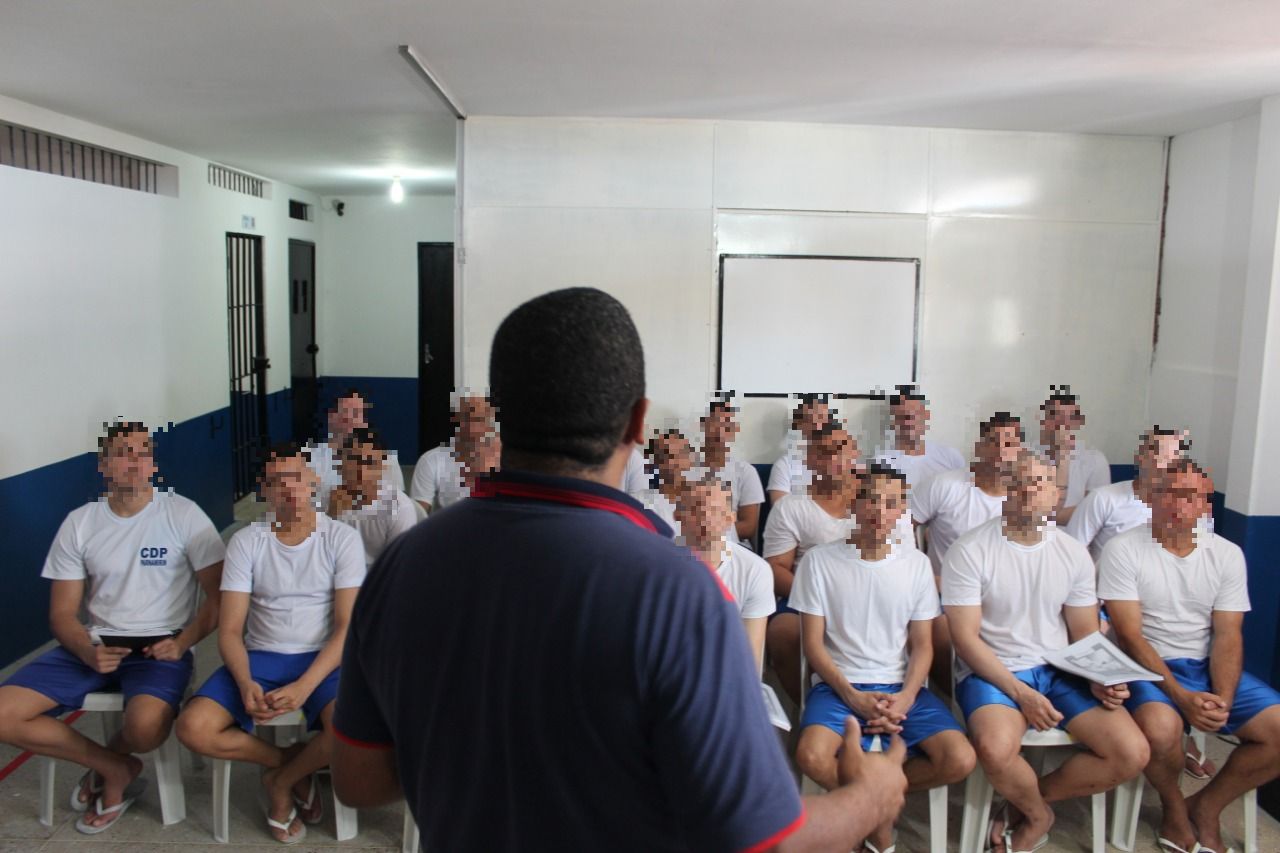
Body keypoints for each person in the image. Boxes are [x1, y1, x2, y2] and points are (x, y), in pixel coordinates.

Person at [330, 287, 908, 852]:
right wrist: (871, 798)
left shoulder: (406, 564)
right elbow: (757, 840)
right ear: (638, 423)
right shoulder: (677, 591)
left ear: (499, 418)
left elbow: (360, 781)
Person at [0, 422, 225, 834]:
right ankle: (114, 767)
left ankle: (114, 759)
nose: (134, 463)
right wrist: (87, 649)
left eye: (143, 453)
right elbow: (63, 615)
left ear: (153, 463)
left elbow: (218, 597)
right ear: (104, 465)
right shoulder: (81, 522)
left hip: (162, 645)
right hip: (96, 644)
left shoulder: (183, 514)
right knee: (3, 714)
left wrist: (183, 643)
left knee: (145, 727)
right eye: (123, 453)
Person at [943, 451, 1148, 853]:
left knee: (1131, 752)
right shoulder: (970, 550)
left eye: (1037, 485)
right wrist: (1021, 694)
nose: (1026, 493)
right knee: (994, 749)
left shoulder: (1072, 553)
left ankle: (1028, 802)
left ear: (1055, 495)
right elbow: (966, 640)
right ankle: (1038, 817)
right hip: (994, 670)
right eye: (1018, 484)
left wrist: (1102, 676)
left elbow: (1084, 631)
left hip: (1057, 668)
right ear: (1006, 490)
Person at [175, 445, 365, 845]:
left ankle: (280, 782)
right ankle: (290, 762)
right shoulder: (248, 541)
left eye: (297, 478)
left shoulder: (341, 538)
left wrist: (305, 686)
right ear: (265, 490)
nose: (289, 490)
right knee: (193, 728)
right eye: (278, 482)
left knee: (350, 728)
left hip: (323, 658)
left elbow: (347, 626)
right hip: (261, 656)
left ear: (313, 482)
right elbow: (229, 630)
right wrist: (245, 682)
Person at [792, 463, 976, 853]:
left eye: (891, 503)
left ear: (901, 513)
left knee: (959, 759)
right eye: (871, 499)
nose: (879, 511)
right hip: (838, 687)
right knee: (810, 755)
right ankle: (877, 819)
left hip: (900, 688)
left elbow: (923, 645)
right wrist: (850, 694)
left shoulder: (915, 565)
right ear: (855, 504)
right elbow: (813, 646)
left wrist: (907, 697)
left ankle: (869, 804)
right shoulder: (819, 562)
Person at [1100, 459, 1280, 853]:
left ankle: (1207, 807)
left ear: (1205, 504)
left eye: (1191, 496)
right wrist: (1181, 697)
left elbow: (1228, 634)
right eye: (1170, 494)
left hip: (1204, 663)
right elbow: (1129, 636)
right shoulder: (1123, 549)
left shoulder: (1226, 554)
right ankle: (1174, 809)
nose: (1179, 505)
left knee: (1277, 730)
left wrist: (1224, 703)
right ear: (1152, 499)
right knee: (1162, 731)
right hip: (1146, 666)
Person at [762, 422, 859, 705]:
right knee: (783, 632)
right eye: (823, 453)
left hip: (872, 595)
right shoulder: (791, 507)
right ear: (809, 460)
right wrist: (821, 602)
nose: (833, 459)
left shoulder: (881, 502)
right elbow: (777, 567)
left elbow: (902, 560)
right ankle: (812, 706)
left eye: (840, 450)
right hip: (806, 599)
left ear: (854, 454)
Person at [673, 473, 774, 674]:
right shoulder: (658, 565)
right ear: (678, 516)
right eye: (695, 510)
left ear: (730, 518)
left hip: (728, 681)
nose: (706, 519)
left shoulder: (755, 570)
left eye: (715, 511)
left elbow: (750, 660)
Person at [1066, 426, 1187, 561]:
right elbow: (1071, 554)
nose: (1161, 463)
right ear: (1140, 457)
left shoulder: (1188, 510)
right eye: (1156, 453)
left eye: (1170, 457)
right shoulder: (1102, 499)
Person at [328, 428, 419, 566]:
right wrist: (331, 516)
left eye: (370, 463)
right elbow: (316, 558)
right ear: (339, 464)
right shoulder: (325, 499)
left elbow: (399, 566)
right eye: (354, 460)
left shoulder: (399, 508)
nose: (361, 471)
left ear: (382, 468)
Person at [310, 390, 405, 508]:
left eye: (356, 413)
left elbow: (396, 504)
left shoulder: (387, 459)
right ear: (331, 416)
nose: (349, 418)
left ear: (364, 422)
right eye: (344, 412)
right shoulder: (309, 458)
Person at [409, 393, 496, 513]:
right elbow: (419, 516)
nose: (474, 425)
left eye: (481, 419)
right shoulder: (431, 460)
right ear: (457, 418)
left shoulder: (503, 459)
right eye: (468, 417)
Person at [1037, 386, 1110, 526]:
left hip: (1074, 534)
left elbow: (1095, 511)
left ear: (1077, 422)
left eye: (1068, 418)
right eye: (1054, 416)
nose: (1061, 424)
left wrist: (1044, 518)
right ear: (1044, 420)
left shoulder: (1094, 459)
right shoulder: (1029, 456)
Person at [700, 393, 765, 544]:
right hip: (690, 545)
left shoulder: (746, 472)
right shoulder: (685, 469)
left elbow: (749, 526)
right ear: (704, 424)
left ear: (734, 431)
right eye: (715, 422)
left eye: (726, 425)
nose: (720, 430)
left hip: (732, 547)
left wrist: (709, 535)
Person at [873, 386, 966, 488]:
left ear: (926, 415)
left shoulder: (950, 456)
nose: (908, 422)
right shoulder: (882, 462)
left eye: (914, 415)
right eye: (902, 417)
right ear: (893, 422)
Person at [767, 394, 831, 504]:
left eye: (822, 419)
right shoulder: (785, 465)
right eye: (810, 420)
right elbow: (780, 512)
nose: (818, 426)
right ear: (799, 425)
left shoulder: (846, 464)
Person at [639, 427, 696, 532]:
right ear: (655, 459)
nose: (673, 462)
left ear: (691, 458)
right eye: (665, 455)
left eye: (681, 454)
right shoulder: (642, 501)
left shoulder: (707, 499)